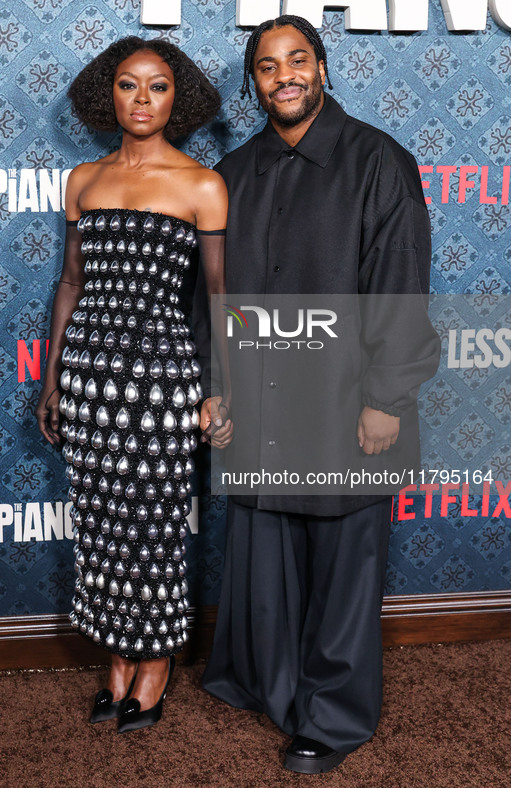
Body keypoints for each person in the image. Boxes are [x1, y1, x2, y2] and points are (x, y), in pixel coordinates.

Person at [197, 15, 440, 775]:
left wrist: (386, 400)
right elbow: (215, 298)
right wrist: (219, 392)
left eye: (297, 60)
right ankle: (266, 683)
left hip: (347, 402)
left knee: (342, 569)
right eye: (266, 67)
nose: (284, 76)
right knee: (265, 556)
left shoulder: (377, 161)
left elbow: (399, 288)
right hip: (264, 401)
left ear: (323, 68)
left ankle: (332, 719)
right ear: (253, 83)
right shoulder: (234, 172)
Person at [35, 36, 231, 733]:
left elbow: (215, 297)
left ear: (179, 98)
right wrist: (53, 377)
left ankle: (154, 661)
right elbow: (69, 285)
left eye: (157, 86)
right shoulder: (83, 179)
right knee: (100, 527)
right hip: (89, 378)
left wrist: (219, 389)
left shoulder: (202, 185)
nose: (141, 99)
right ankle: (116, 657)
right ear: (106, 94)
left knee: (151, 529)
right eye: (127, 85)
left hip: (160, 384)